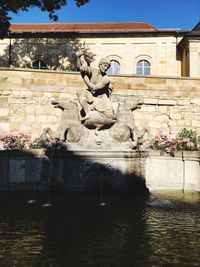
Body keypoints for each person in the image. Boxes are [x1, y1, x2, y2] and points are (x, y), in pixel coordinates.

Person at [76, 50, 116, 122]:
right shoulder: (93, 71)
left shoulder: (106, 79)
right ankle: (88, 113)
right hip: (91, 96)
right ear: (100, 65)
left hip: (101, 100)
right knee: (80, 91)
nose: (106, 68)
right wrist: (80, 57)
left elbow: (93, 88)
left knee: (110, 117)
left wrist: (85, 78)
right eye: (105, 65)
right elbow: (82, 68)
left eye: (108, 67)